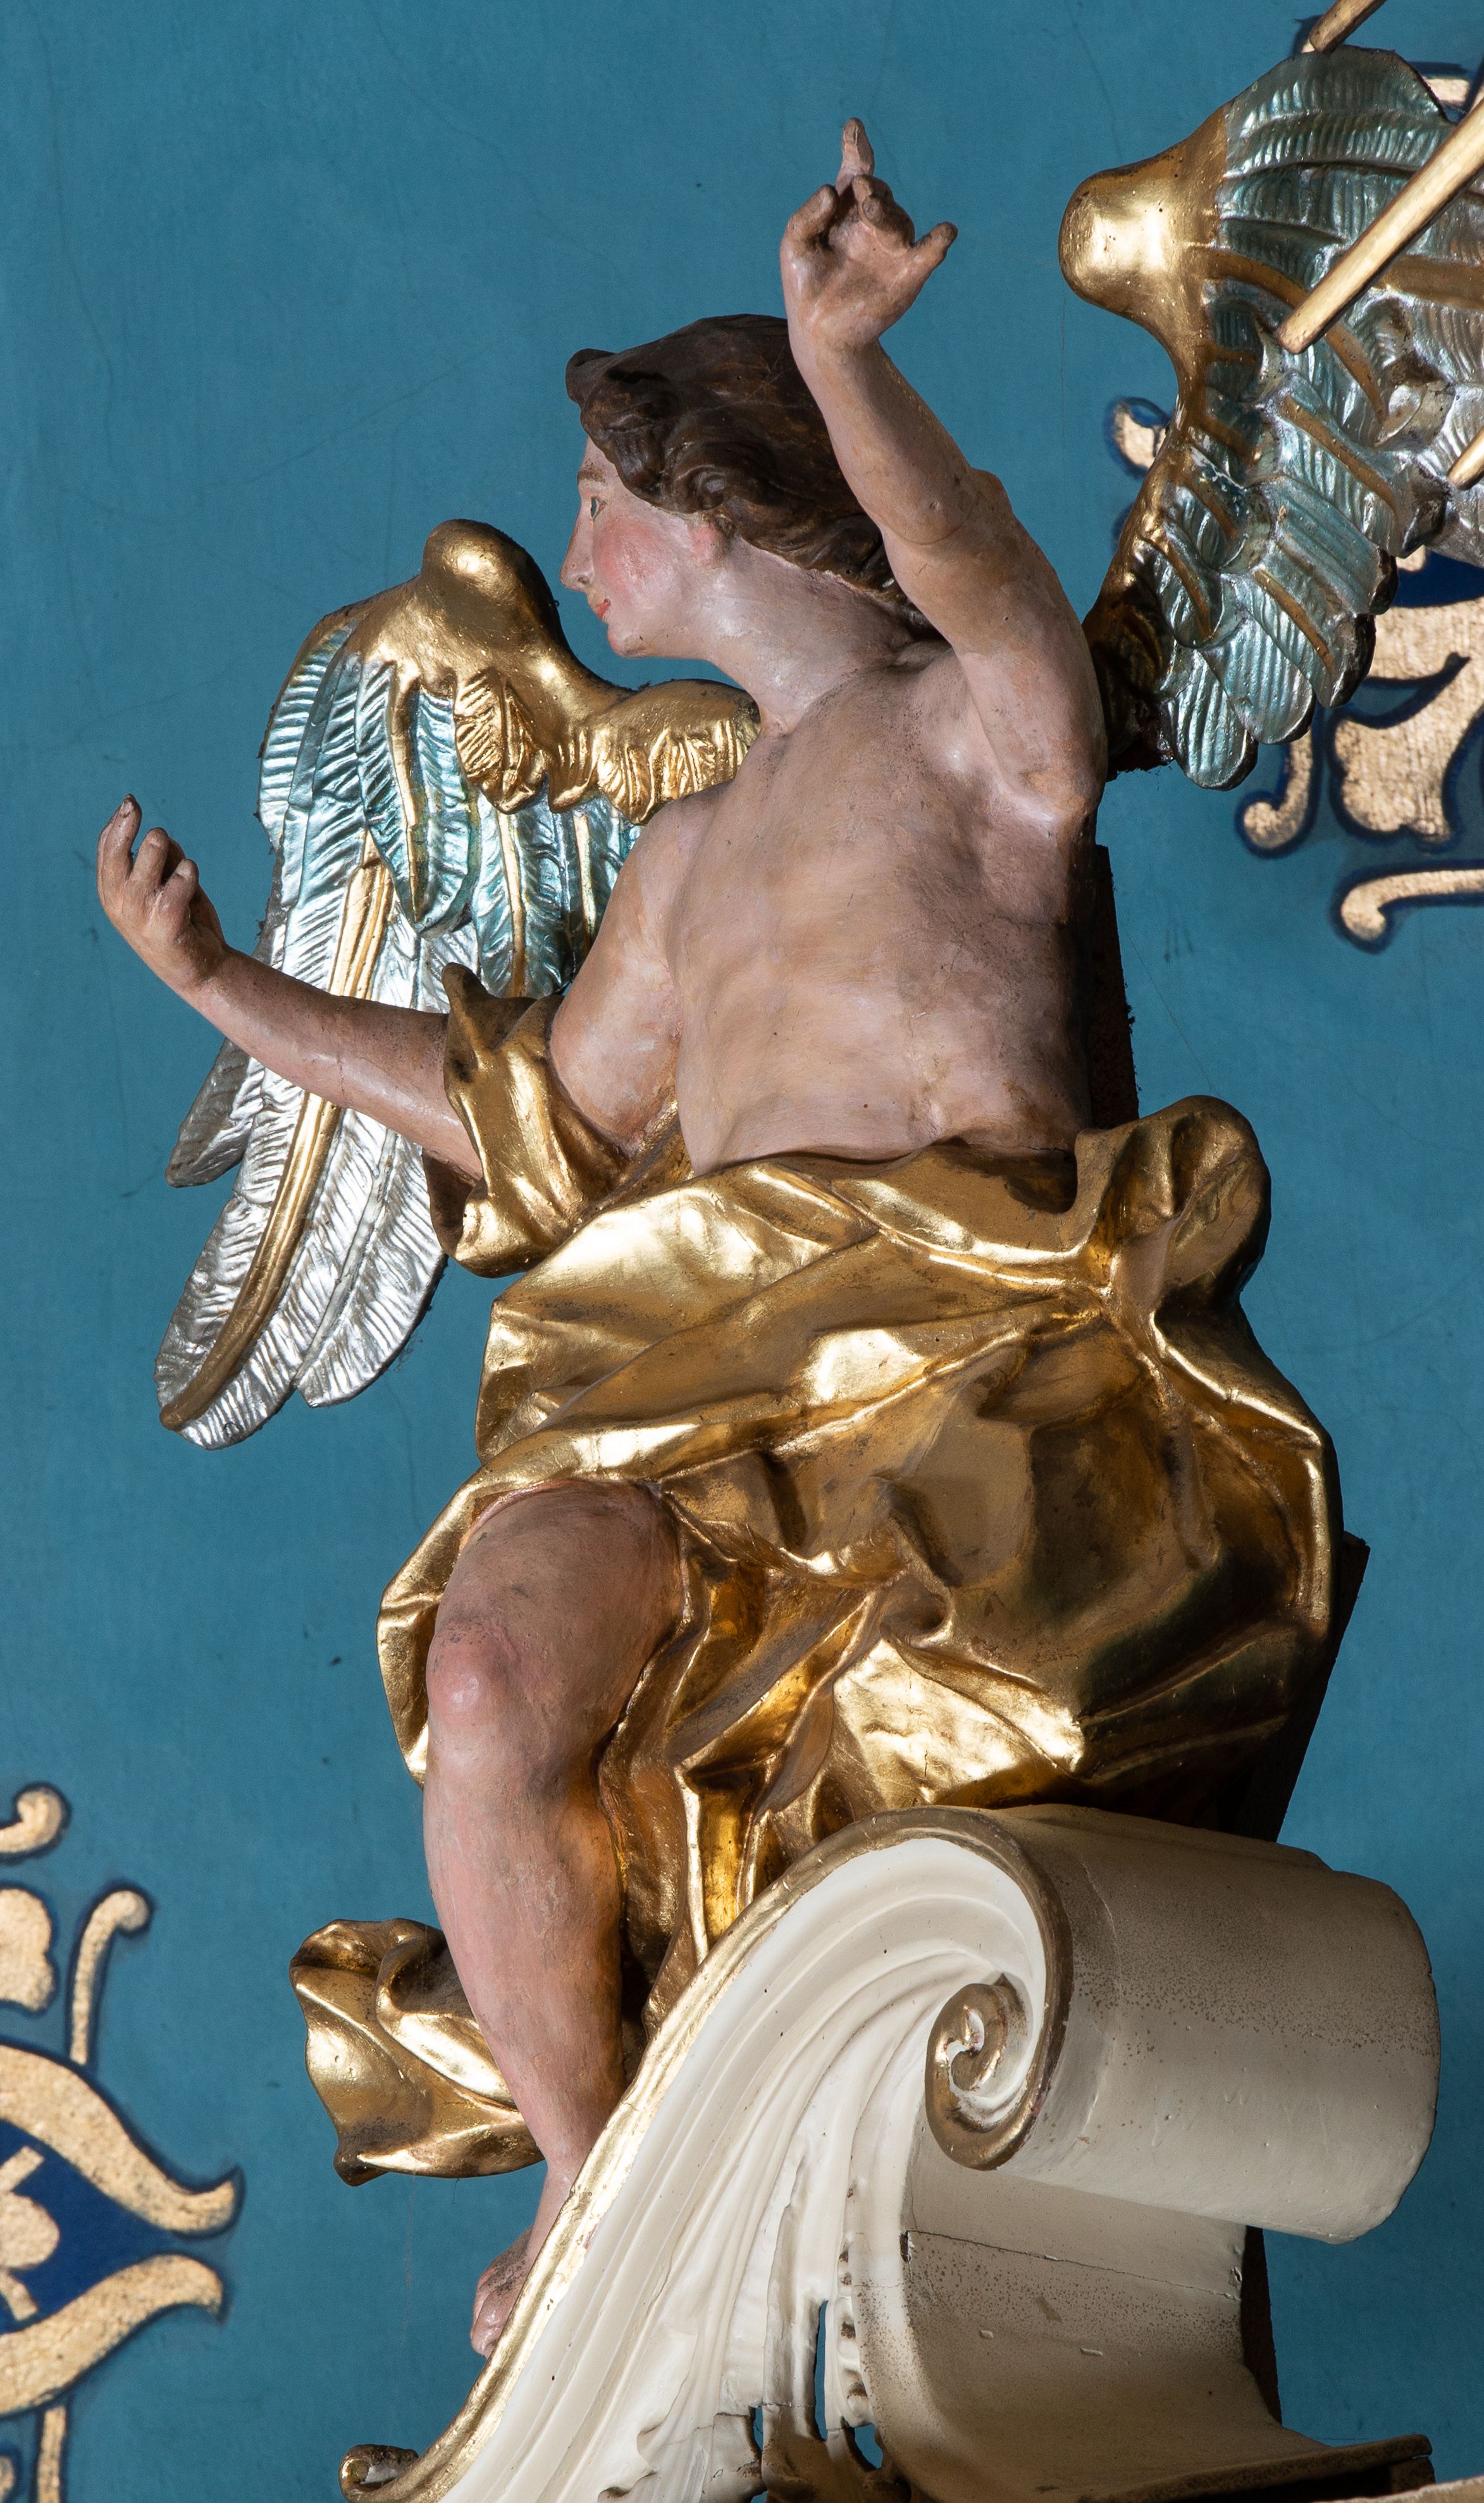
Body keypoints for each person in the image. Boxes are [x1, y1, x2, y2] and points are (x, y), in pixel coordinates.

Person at [97, 123, 1337, 2355]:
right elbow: (533, 1122)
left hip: (956, 1359)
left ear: (721, 505)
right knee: (487, 1682)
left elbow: (967, 562)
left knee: (926, 1808)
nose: (575, 544)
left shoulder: (981, 733)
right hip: (685, 1387)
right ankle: (593, 2172)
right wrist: (224, 991)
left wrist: (845, 359)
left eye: (604, 494)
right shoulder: (680, 866)